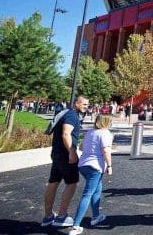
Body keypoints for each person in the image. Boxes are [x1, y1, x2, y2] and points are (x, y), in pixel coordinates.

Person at [41, 96, 89, 228]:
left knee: (53, 182)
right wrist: (71, 152)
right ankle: (61, 216)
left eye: (87, 105)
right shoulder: (72, 116)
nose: (86, 106)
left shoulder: (65, 113)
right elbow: (66, 133)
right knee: (72, 183)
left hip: (57, 153)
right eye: (83, 104)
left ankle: (48, 216)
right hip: (65, 155)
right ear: (76, 104)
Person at [68, 115, 114, 235]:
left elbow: (82, 147)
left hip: (83, 165)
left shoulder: (90, 132)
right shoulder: (105, 133)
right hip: (96, 167)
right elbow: (106, 151)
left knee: (97, 189)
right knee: (87, 194)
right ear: (107, 122)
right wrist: (109, 166)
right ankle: (75, 226)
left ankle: (96, 216)